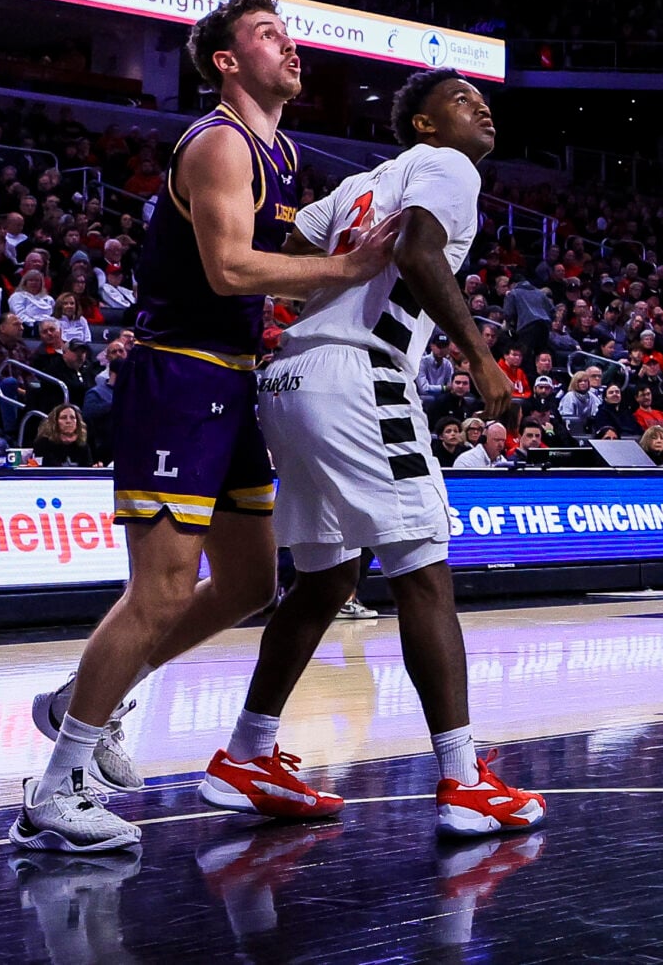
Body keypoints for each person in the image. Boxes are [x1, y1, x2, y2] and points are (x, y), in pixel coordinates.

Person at [17, 0, 392, 855]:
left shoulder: (283, 151)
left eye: (288, 34)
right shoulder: (220, 141)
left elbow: (284, 272)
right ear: (224, 60)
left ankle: (82, 692)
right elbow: (228, 269)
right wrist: (347, 264)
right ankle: (56, 785)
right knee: (161, 591)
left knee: (253, 582)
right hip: (180, 375)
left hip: (234, 379)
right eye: (268, 34)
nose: (289, 46)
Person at [206, 68, 544, 841]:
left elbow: (290, 253)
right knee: (424, 572)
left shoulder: (360, 183)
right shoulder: (450, 167)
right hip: (359, 376)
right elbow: (423, 252)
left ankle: (248, 751)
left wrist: (346, 264)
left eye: (480, 98)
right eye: (460, 100)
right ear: (424, 127)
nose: (480, 107)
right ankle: (462, 779)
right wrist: (481, 357)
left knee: (325, 579)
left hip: (288, 377)